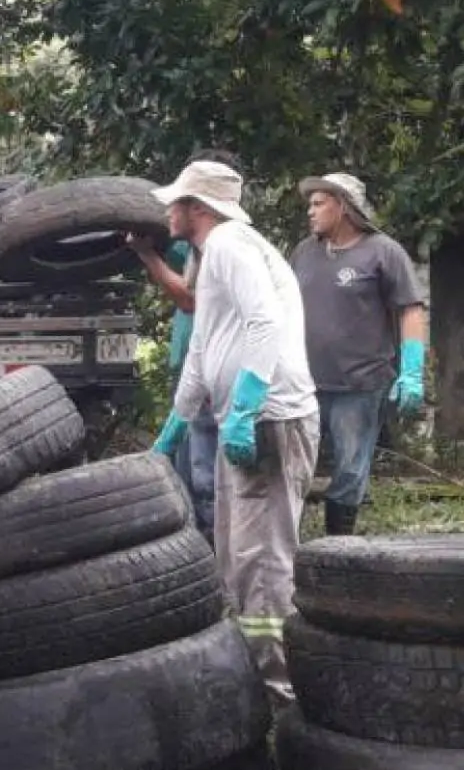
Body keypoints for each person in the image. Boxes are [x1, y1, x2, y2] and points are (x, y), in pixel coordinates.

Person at [148, 160, 318, 706]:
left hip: (269, 420)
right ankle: (256, 671)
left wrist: (246, 407)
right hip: (242, 422)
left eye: (176, 203)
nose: (167, 212)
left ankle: (280, 691)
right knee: (237, 554)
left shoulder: (229, 244)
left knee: (262, 560)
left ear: (198, 208)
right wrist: (175, 425)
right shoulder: (209, 255)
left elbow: (265, 321)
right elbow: (204, 347)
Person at [290, 173, 427, 535]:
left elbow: (410, 309)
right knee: (293, 466)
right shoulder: (304, 253)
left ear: (344, 207)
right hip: (303, 383)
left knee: (349, 468)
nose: (310, 211)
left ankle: (339, 543)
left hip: (360, 384)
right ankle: (289, 546)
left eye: (319, 203)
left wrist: (412, 371)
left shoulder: (383, 251)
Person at [129, 148, 246, 541]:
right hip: (193, 365)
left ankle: (213, 550)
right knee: (189, 465)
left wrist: (147, 255)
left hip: (217, 372)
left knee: (206, 471)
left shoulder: (226, 248)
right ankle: (197, 540)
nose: (171, 208)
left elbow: (189, 299)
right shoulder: (196, 247)